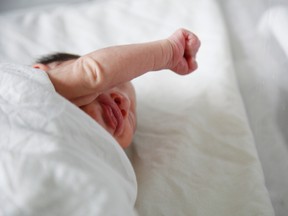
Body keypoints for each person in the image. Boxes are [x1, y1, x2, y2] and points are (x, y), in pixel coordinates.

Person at [33, 28, 201, 148]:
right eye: (112, 82)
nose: (125, 102)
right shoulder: (34, 88)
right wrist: (167, 52)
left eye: (132, 120)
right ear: (37, 74)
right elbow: (94, 72)